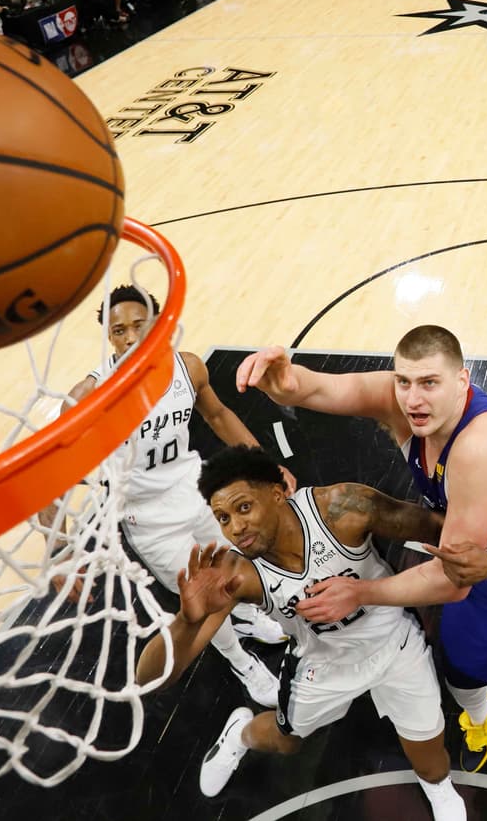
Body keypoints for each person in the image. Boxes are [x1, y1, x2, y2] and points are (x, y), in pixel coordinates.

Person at [237, 326, 487, 821]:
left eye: (429, 383)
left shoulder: (484, 444)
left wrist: (361, 592)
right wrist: (284, 380)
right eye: (404, 382)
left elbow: (450, 584)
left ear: (463, 380)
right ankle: (485, 718)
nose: (413, 399)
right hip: (478, 581)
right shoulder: (402, 403)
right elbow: (320, 388)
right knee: (461, 670)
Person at [136, 446, 466, 820]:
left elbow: (436, 528)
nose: (236, 528)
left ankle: (439, 791)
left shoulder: (342, 508)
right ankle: (240, 732)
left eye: (244, 508)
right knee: (284, 742)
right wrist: (186, 620)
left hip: (397, 644)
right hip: (323, 665)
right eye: (223, 518)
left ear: (277, 494)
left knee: (432, 760)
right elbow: (151, 680)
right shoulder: (237, 574)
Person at [44, 285, 296, 708]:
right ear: (109, 337)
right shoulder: (88, 396)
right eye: (118, 330)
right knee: (204, 594)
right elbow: (50, 476)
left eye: (138, 326)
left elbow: (218, 415)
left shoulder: (187, 367)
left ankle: (250, 617)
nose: (128, 338)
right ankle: (241, 661)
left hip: (197, 492)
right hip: (149, 520)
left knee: (234, 567)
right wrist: (59, 552)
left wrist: (262, 464)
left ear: (159, 325)